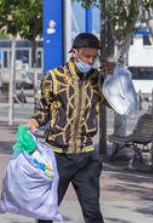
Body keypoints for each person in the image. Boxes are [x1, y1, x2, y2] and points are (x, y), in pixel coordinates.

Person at [27, 33, 115, 223]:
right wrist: (33, 123)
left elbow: (121, 104)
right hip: (58, 157)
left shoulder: (98, 79)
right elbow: (43, 110)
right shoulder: (53, 78)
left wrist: (116, 77)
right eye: (86, 56)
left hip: (87, 157)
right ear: (74, 53)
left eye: (94, 56)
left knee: (92, 212)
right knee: (46, 211)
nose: (90, 60)